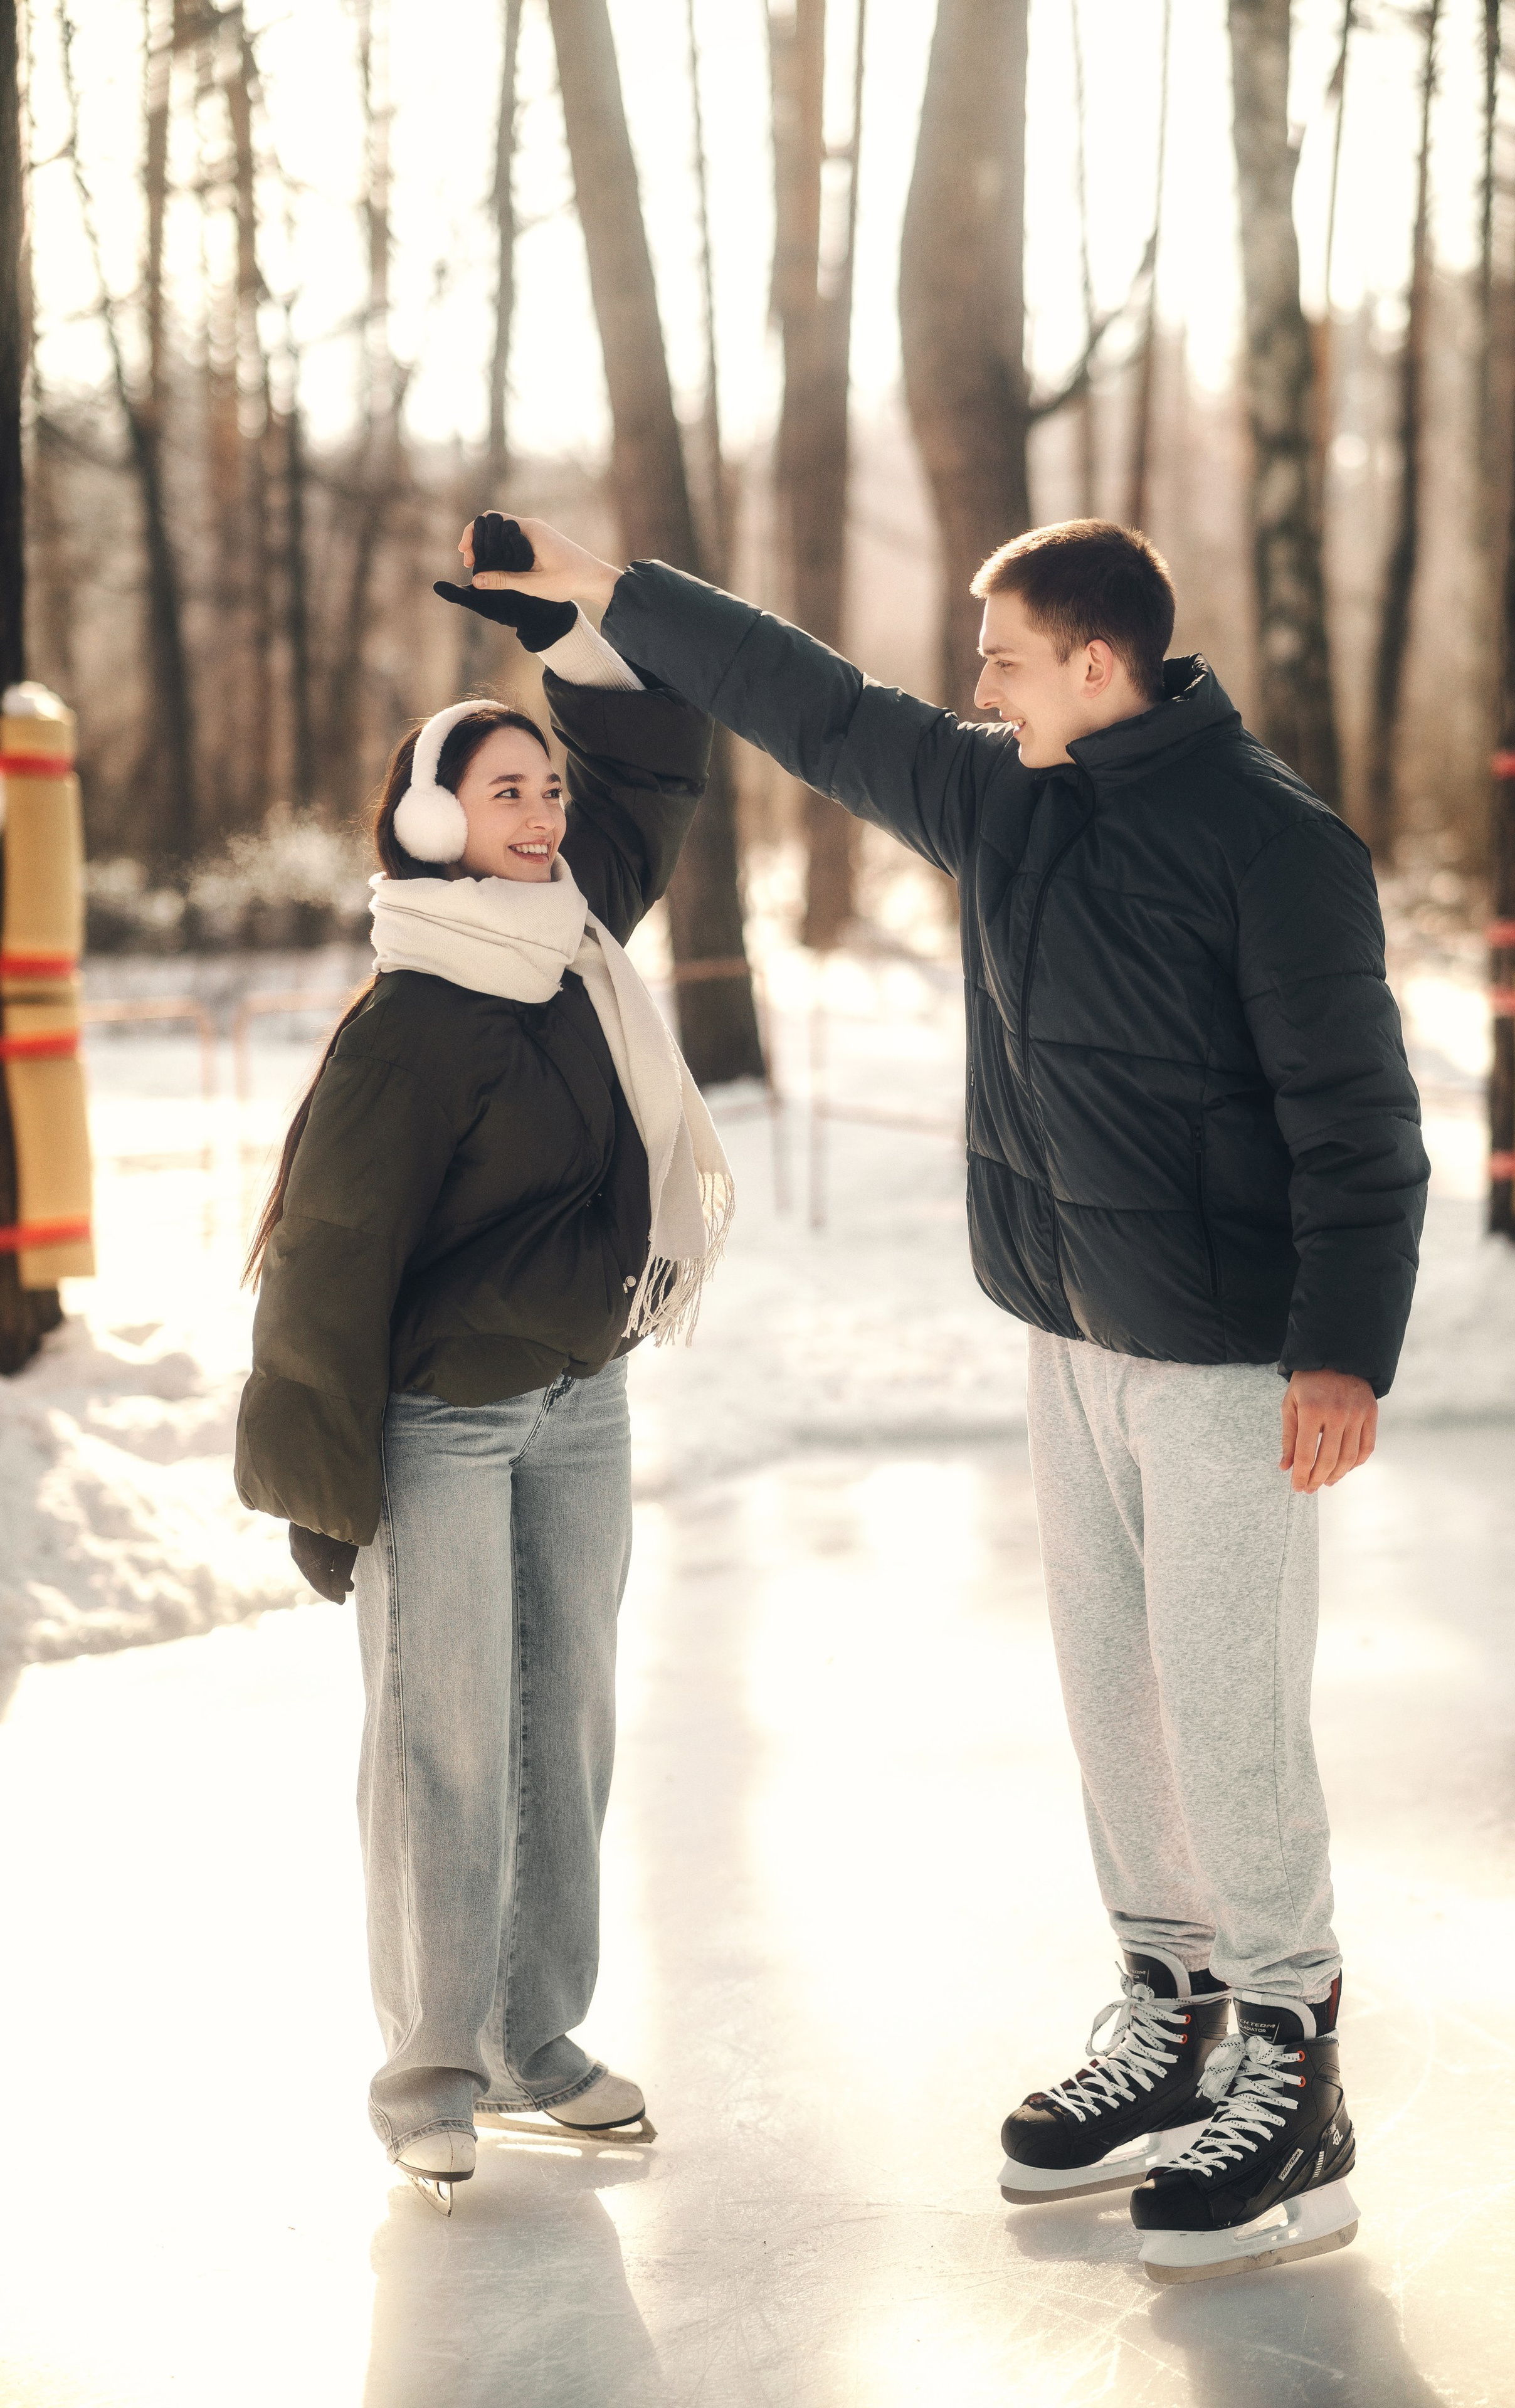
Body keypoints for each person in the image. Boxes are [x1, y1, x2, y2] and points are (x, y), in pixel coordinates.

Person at [459, 511, 1428, 2281]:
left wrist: (1345, 1349)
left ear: (1096, 664)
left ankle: (1297, 2071)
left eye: (1003, 658)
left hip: (1231, 1356)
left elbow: (1360, 1119)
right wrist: (612, 597)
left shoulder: (1275, 846)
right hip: (1074, 1335)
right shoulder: (1006, 798)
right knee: (1118, 1697)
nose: (978, 688)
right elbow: (817, 706)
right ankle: (1176, 2010)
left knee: (1228, 1711)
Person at [235, 519, 731, 2212]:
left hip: (583, 1397)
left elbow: (655, 769)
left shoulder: (576, 936)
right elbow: (325, 1261)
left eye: (547, 789)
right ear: (435, 819)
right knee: (444, 1742)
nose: (545, 813)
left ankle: (533, 2039)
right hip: (440, 1423)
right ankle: (431, 2069)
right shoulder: (417, 1016)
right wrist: (322, 1494)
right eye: (507, 791)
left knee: (562, 1727)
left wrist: (565, 633)